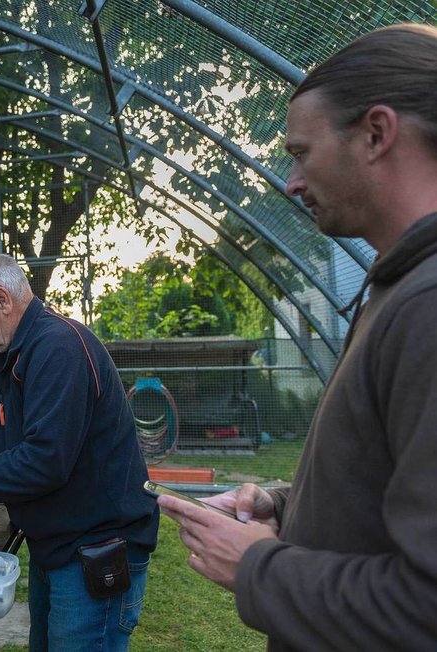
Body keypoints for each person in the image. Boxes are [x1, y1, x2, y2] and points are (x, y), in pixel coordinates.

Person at [157, 23, 437, 651]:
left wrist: (259, 568)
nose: (291, 182)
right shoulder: (398, 284)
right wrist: (286, 506)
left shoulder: (429, 304)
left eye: (301, 152)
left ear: (375, 133)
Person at [0, 252, 159, 652]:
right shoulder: (17, 354)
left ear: (2, 299)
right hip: (61, 545)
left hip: (94, 550)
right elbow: (10, 447)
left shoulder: (57, 348)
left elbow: (43, 463)